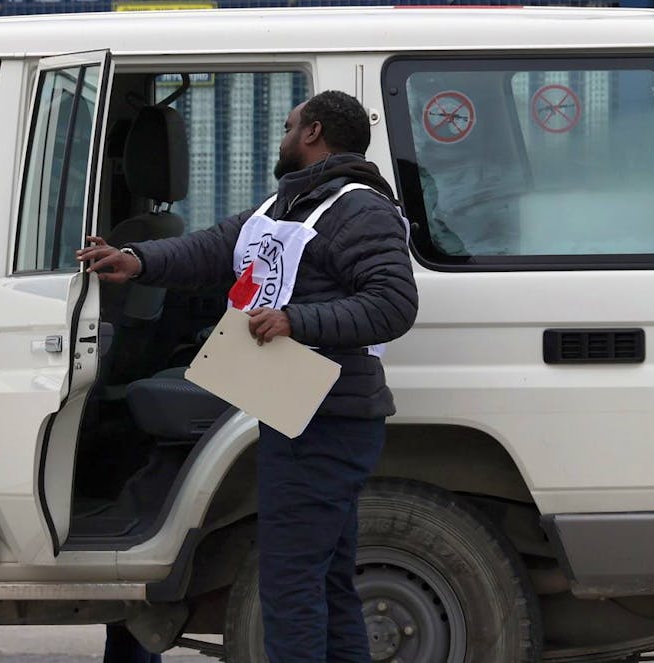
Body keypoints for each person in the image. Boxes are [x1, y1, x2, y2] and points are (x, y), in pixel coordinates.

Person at [76, 90, 418, 663]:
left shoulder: (360, 208)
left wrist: (294, 319)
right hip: (296, 407)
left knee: (289, 584)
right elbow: (213, 248)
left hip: (326, 417)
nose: (280, 138)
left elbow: (393, 304)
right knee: (324, 580)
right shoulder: (291, 203)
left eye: (287, 127)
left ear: (312, 132)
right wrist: (138, 259)